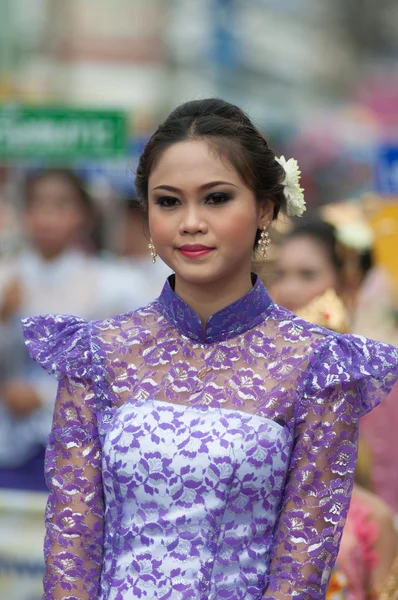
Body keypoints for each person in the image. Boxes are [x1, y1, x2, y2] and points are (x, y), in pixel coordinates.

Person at [22, 99, 398, 600]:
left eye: (217, 198)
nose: (191, 222)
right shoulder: (97, 352)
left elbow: (303, 563)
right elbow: (72, 542)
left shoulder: (318, 363)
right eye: (169, 201)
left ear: (265, 208)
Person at [271, 219, 398, 599]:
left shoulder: (381, 382)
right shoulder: (255, 376)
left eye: (306, 274)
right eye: (280, 274)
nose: (288, 289)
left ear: (348, 283)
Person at [0, 168, 146, 491]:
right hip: (8, 442)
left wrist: (40, 396)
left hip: (77, 443)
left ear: (83, 215)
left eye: (61, 205)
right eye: (39, 204)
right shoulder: (7, 279)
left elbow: (124, 366)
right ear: (25, 213)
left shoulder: (112, 284)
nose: (48, 217)